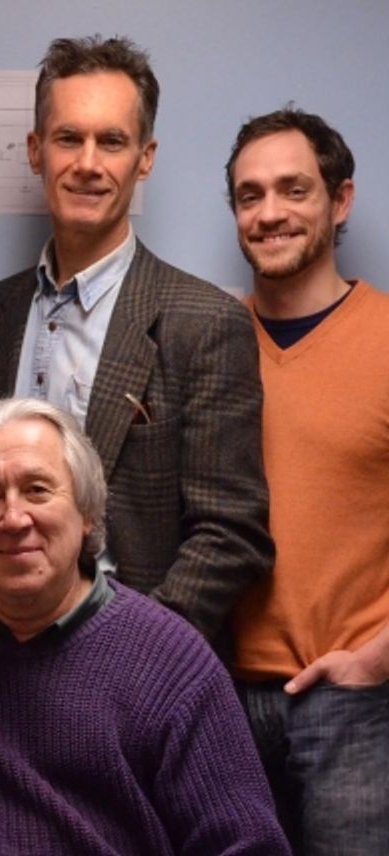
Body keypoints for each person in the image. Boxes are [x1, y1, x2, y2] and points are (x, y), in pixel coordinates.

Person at [0, 35, 273, 643]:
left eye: (112, 141)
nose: (87, 163)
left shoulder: (204, 323)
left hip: (136, 670)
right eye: (68, 138)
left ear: (145, 157)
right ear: (35, 150)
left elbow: (232, 531)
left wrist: (135, 650)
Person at [0, 398, 290, 855]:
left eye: (37, 490)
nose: (13, 519)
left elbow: (248, 846)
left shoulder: (170, 662)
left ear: (87, 512)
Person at [225, 108, 389, 854]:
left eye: (294, 190)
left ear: (341, 200)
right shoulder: (208, 337)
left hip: (355, 703)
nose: (270, 214)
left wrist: (375, 660)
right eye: (250, 195)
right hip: (219, 700)